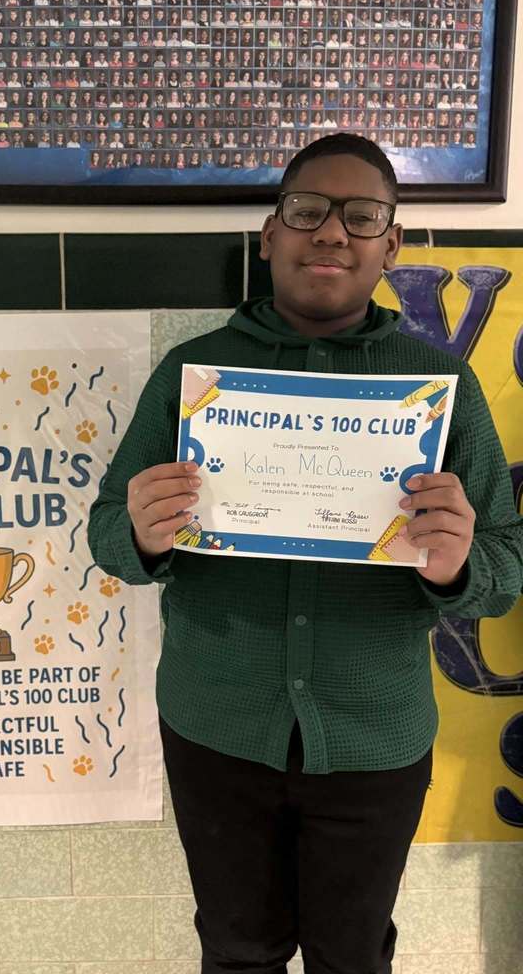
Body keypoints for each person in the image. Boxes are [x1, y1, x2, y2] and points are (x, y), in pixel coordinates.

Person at [87, 134, 523, 974]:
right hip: (217, 732)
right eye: (307, 211)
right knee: (238, 952)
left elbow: (503, 569)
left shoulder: (438, 390)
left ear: (391, 246)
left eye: (361, 217)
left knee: (352, 958)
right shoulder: (195, 373)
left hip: (375, 743)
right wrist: (140, 531)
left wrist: (459, 563)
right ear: (269, 234)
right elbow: (108, 533)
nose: (332, 233)